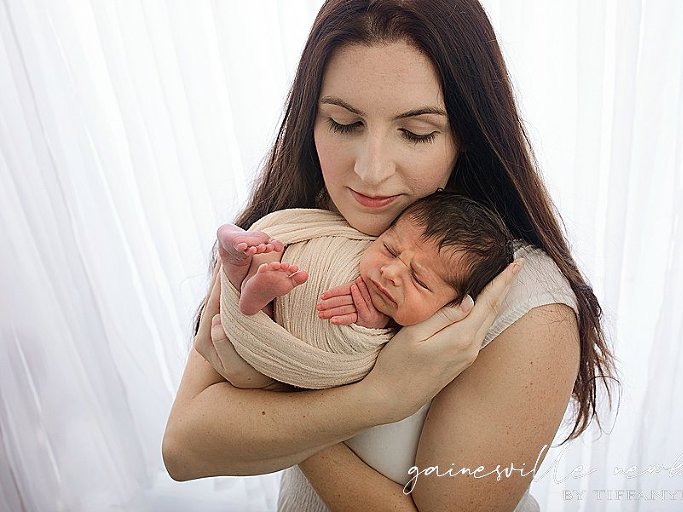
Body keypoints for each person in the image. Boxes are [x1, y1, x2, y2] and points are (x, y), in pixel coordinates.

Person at [162, 1, 617, 510]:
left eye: (416, 132)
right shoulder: (294, 229)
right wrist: (373, 399)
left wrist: (276, 385)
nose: (371, 171)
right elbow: (183, 449)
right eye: (343, 123)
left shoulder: (524, 302)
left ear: (466, 137)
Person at [215, 192, 514, 391]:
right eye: (389, 248)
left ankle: (255, 290)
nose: (391, 272)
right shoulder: (353, 235)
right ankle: (243, 264)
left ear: (451, 306)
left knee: (271, 268)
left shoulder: (425, 337)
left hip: (296, 345)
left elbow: (375, 356)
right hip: (287, 275)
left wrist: (370, 327)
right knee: (271, 249)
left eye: (419, 281)